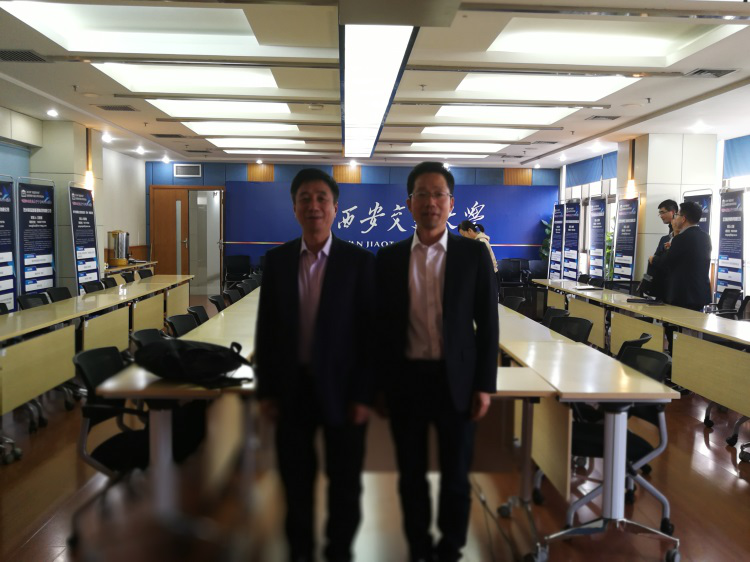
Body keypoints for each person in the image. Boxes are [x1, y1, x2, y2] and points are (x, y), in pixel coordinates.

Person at [376, 162, 499, 562]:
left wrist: (485, 385)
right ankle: (417, 546)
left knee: (455, 474)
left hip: (456, 380)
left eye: (438, 194)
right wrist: (379, 386)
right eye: (422, 194)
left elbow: (488, 325)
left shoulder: (473, 255)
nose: (431, 202)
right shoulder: (389, 258)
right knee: (410, 473)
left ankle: (450, 548)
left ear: (451, 202)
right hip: (406, 380)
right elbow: (377, 328)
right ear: (408, 203)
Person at [255, 168, 375, 562]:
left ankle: (340, 552)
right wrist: (266, 391)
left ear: (335, 208)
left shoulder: (359, 262)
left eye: (322, 198)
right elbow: (267, 331)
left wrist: (363, 396)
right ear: (294, 208)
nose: (314, 206)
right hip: (292, 390)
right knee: (295, 482)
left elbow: (370, 335)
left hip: (344, 391)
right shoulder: (277, 261)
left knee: (345, 483)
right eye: (305, 198)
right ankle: (300, 553)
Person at [649, 200, 711, 311]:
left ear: (683, 219)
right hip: (700, 295)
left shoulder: (681, 238)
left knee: (677, 323)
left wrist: (653, 259)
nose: (675, 218)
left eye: (677, 215)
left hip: (683, 296)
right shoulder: (705, 237)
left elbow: (665, 262)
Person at [642, 199, 678, 299]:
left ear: (673, 212)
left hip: (672, 287)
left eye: (663, 212)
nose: (661, 216)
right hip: (661, 286)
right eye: (660, 213)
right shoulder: (665, 238)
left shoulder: (682, 239)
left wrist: (654, 259)